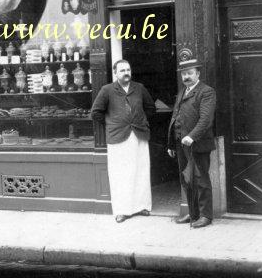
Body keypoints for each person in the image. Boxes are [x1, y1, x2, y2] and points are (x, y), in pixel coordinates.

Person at [91, 59, 156, 223]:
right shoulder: (107, 90)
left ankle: (142, 206)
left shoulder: (139, 88)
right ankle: (122, 210)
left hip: (138, 135)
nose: (126, 73)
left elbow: (150, 108)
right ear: (115, 73)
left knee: (141, 171)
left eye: (128, 69)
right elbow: (96, 112)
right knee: (120, 174)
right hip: (118, 137)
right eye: (122, 71)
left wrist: (140, 121)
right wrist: (112, 123)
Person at [167, 58, 216, 228]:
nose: (186, 76)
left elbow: (206, 120)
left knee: (200, 178)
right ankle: (194, 213)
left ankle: (206, 216)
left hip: (197, 144)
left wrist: (192, 136)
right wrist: (171, 144)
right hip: (181, 144)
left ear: (198, 74)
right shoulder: (182, 92)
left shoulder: (206, 92)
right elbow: (176, 117)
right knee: (186, 179)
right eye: (184, 74)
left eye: (190, 73)